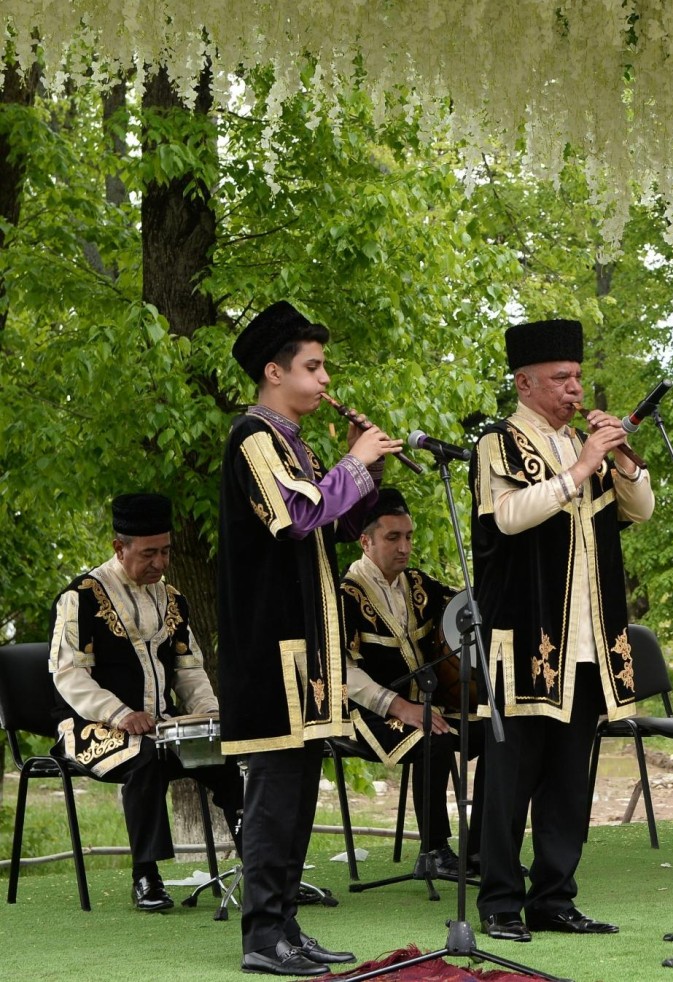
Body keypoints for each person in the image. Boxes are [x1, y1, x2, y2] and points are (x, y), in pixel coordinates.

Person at [218, 300, 399, 976]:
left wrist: (367, 471)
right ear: (274, 372)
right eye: (313, 367)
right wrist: (353, 462)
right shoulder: (253, 437)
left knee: (297, 794)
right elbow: (295, 517)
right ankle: (262, 937)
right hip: (271, 650)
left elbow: (338, 528)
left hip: (309, 649)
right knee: (274, 793)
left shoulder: (295, 443)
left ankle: (286, 927)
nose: (326, 380)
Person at [468, 318, 653, 942]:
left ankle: (554, 898)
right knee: (509, 780)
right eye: (560, 378)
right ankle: (499, 901)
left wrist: (619, 457)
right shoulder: (498, 443)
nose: (575, 389)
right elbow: (508, 517)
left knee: (570, 780)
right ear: (525, 383)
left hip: (588, 641)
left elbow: (641, 510)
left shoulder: (585, 444)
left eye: (576, 377)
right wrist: (580, 467)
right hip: (523, 638)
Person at [49, 492, 245, 913]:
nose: (160, 562)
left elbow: (189, 670)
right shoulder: (80, 597)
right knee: (146, 757)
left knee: (226, 755)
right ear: (119, 548)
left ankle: (262, 864)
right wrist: (120, 714)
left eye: (166, 551)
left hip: (159, 726)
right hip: (89, 727)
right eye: (149, 553)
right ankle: (146, 875)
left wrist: (210, 715)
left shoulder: (173, 599)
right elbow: (68, 675)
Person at [340, 486, 485, 878]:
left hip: (428, 706)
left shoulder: (420, 583)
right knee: (434, 741)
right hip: (368, 712)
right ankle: (434, 852)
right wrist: (398, 705)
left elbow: (464, 609)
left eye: (408, 536)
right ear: (365, 541)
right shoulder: (344, 596)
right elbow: (342, 672)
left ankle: (482, 848)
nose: (404, 547)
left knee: (496, 733)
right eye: (393, 537)